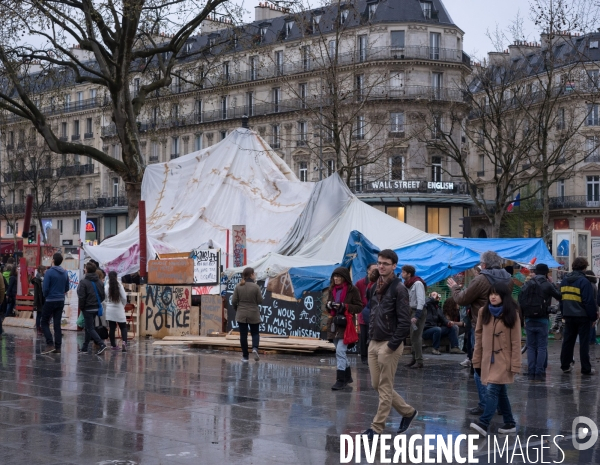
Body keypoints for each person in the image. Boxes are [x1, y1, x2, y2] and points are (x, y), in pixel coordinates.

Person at [447, 250, 512, 416]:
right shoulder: (507, 278)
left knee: (479, 369)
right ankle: (498, 405)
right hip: (502, 326)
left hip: (482, 326)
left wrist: (454, 288)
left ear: (483, 264)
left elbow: (462, 299)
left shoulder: (481, 279)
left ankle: (485, 404)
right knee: (497, 369)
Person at [362, 249, 418, 440]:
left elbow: (405, 321)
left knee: (385, 387)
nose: (381, 266)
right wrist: (370, 338)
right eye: (379, 262)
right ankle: (408, 412)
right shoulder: (374, 286)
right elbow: (372, 314)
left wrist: (391, 345)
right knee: (377, 385)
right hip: (374, 341)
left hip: (389, 343)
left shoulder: (398, 288)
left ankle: (376, 428)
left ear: (394, 266)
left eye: (386, 263)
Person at [470, 282, 521, 436]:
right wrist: (476, 360)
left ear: (503, 296)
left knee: (492, 390)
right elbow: (478, 337)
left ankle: (484, 423)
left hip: (504, 360)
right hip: (487, 360)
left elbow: (516, 341)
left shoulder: (512, 313)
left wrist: (515, 364)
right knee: (501, 393)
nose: (493, 296)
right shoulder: (483, 311)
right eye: (491, 293)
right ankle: (510, 422)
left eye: (497, 294)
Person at [519, 263, 561, 381]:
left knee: (531, 346)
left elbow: (520, 300)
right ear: (546, 273)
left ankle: (531, 371)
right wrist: (552, 283)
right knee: (542, 346)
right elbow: (559, 295)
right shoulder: (547, 284)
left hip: (529, 319)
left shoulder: (527, 284)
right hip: (543, 318)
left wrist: (524, 317)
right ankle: (539, 372)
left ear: (536, 272)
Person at [325, 267, 363, 390]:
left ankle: (340, 379)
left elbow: (359, 307)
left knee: (340, 351)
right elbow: (327, 304)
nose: (336, 279)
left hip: (346, 323)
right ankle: (348, 377)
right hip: (334, 323)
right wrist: (329, 305)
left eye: (339, 276)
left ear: (345, 277)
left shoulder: (353, 290)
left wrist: (344, 306)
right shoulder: (332, 289)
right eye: (334, 276)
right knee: (339, 350)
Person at [559, 257, 597, 375]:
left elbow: (562, 299)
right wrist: (593, 317)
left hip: (568, 315)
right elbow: (588, 301)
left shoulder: (564, 280)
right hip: (582, 316)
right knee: (583, 343)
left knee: (568, 341)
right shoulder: (584, 281)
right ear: (584, 268)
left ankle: (565, 365)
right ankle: (586, 368)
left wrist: (563, 313)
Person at [232, 267, 263, 362]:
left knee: (243, 335)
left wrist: (237, 309)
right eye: (254, 274)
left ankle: (245, 356)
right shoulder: (256, 287)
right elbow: (260, 301)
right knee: (255, 333)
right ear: (251, 275)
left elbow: (234, 301)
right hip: (253, 313)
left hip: (241, 313)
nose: (254, 275)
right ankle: (254, 348)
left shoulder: (238, 286)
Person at [41, 253, 70, 354]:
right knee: (57, 324)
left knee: (44, 322)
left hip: (50, 300)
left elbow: (45, 288)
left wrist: (46, 295)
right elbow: (67, 288)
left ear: (53, 260)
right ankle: (58, 347)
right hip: (61, 300)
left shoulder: (49, 272)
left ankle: (50, 344)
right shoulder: (65, 273)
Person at [77, 262, 107, 355]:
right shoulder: (99, 281)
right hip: (96, 307)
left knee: (90, 328)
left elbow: (81, 296)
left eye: (85, 268)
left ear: (87, 270)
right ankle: (85, 347)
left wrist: (82, 307)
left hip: (87, 308)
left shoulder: (83, 282)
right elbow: (103, 295)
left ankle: (101, 344)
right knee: (88, 327)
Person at [402, 264, 426, 369]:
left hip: (418, 311)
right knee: (412, 335)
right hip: (412, 310)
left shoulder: (417, 283)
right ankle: (414, 358)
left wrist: (417, 315)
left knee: (416, 336)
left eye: (403, 272)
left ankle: (419, 360)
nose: (402, 274)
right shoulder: (407, 284)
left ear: (409, 273)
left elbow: (421, 300)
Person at [355, 263, 378, 365]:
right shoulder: (360, 283)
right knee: (364, 336)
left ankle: (373, 356)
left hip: (376, 314)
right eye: (373, 270)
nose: (375, 272)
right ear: (368, 271)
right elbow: (356, 297)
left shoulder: (379, 282)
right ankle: (364, 356)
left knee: (373, 335)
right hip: (364, 312)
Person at [105, 271, 128, 352]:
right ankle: (124, 342)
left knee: (112, 328)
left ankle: (113, 345)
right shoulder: (119, 286)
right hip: (119, 308)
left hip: (109, 310)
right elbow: (124, 297)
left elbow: (105, 298)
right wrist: (123, 305)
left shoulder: (107, 286)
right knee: (123, 327)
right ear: (116, 276)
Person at [31, 266, 47, 334]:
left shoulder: (45, 278)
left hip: (45, 298)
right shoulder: (37, 280)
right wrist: (35, 303)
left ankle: (42, 327)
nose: (46, 271)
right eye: (44, 270)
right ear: (40, 270)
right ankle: (38, 328)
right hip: (40, 299)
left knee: (44, 314)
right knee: (39, 314)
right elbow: (36, 292)